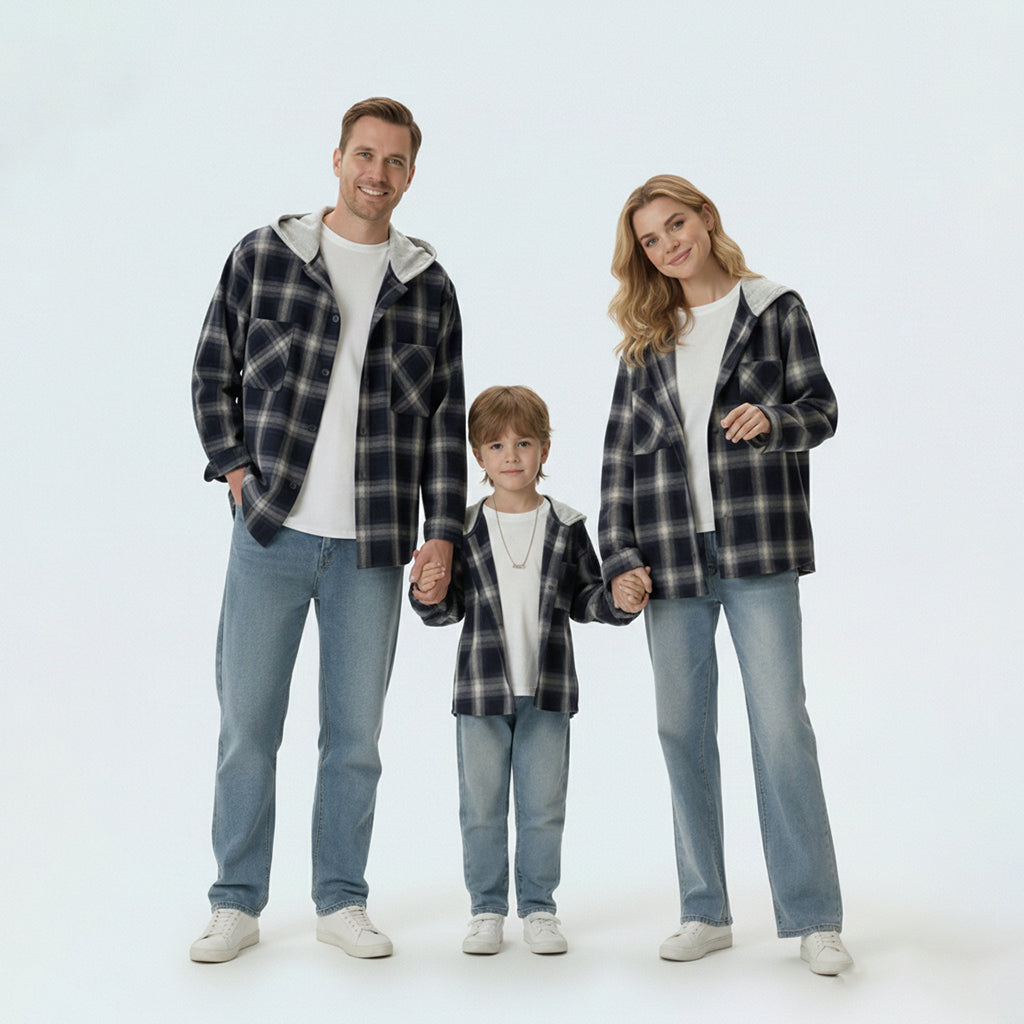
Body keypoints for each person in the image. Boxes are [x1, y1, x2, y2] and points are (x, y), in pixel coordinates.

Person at [189, 97, 465, 963]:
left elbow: (445, 419)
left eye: (393, 162)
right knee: (247, 728)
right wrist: (234, 469)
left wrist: (444, 531)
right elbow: (212, 369)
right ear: (338, 159)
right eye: (363, 156)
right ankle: (235, 901)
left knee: (355, 738)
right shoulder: (265, 256)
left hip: (374, 548)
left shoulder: (428, 287)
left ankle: (341, 899)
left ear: (410, 175)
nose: (376, 175)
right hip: (270, 534)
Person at [599, 175, 853, 975]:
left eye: (677, 224)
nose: (668, 243)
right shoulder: (647, 338)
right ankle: (703, 908)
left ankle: (813, 916)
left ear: (706, 220)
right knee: (681, 730)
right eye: (650, 238)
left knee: (780, 729)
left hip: (757, 551)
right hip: (669, 558)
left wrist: (774, 420)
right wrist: (619, 555)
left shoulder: (774, 308)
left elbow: (822, 408)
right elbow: (617, 464)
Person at [411, 386, 640, 956]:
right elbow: (443, 608)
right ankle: (486, 909)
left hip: (549, 691)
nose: (511, 455)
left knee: (543, 808)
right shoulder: (460, 530)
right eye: (496, 445)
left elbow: (587, 598)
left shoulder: (566, 524)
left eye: (524, 443)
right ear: (478, 456)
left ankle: (539, 908)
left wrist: (620, 598)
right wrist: (425, 589)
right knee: (481, 808)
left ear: (543, 450)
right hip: (481, 694)